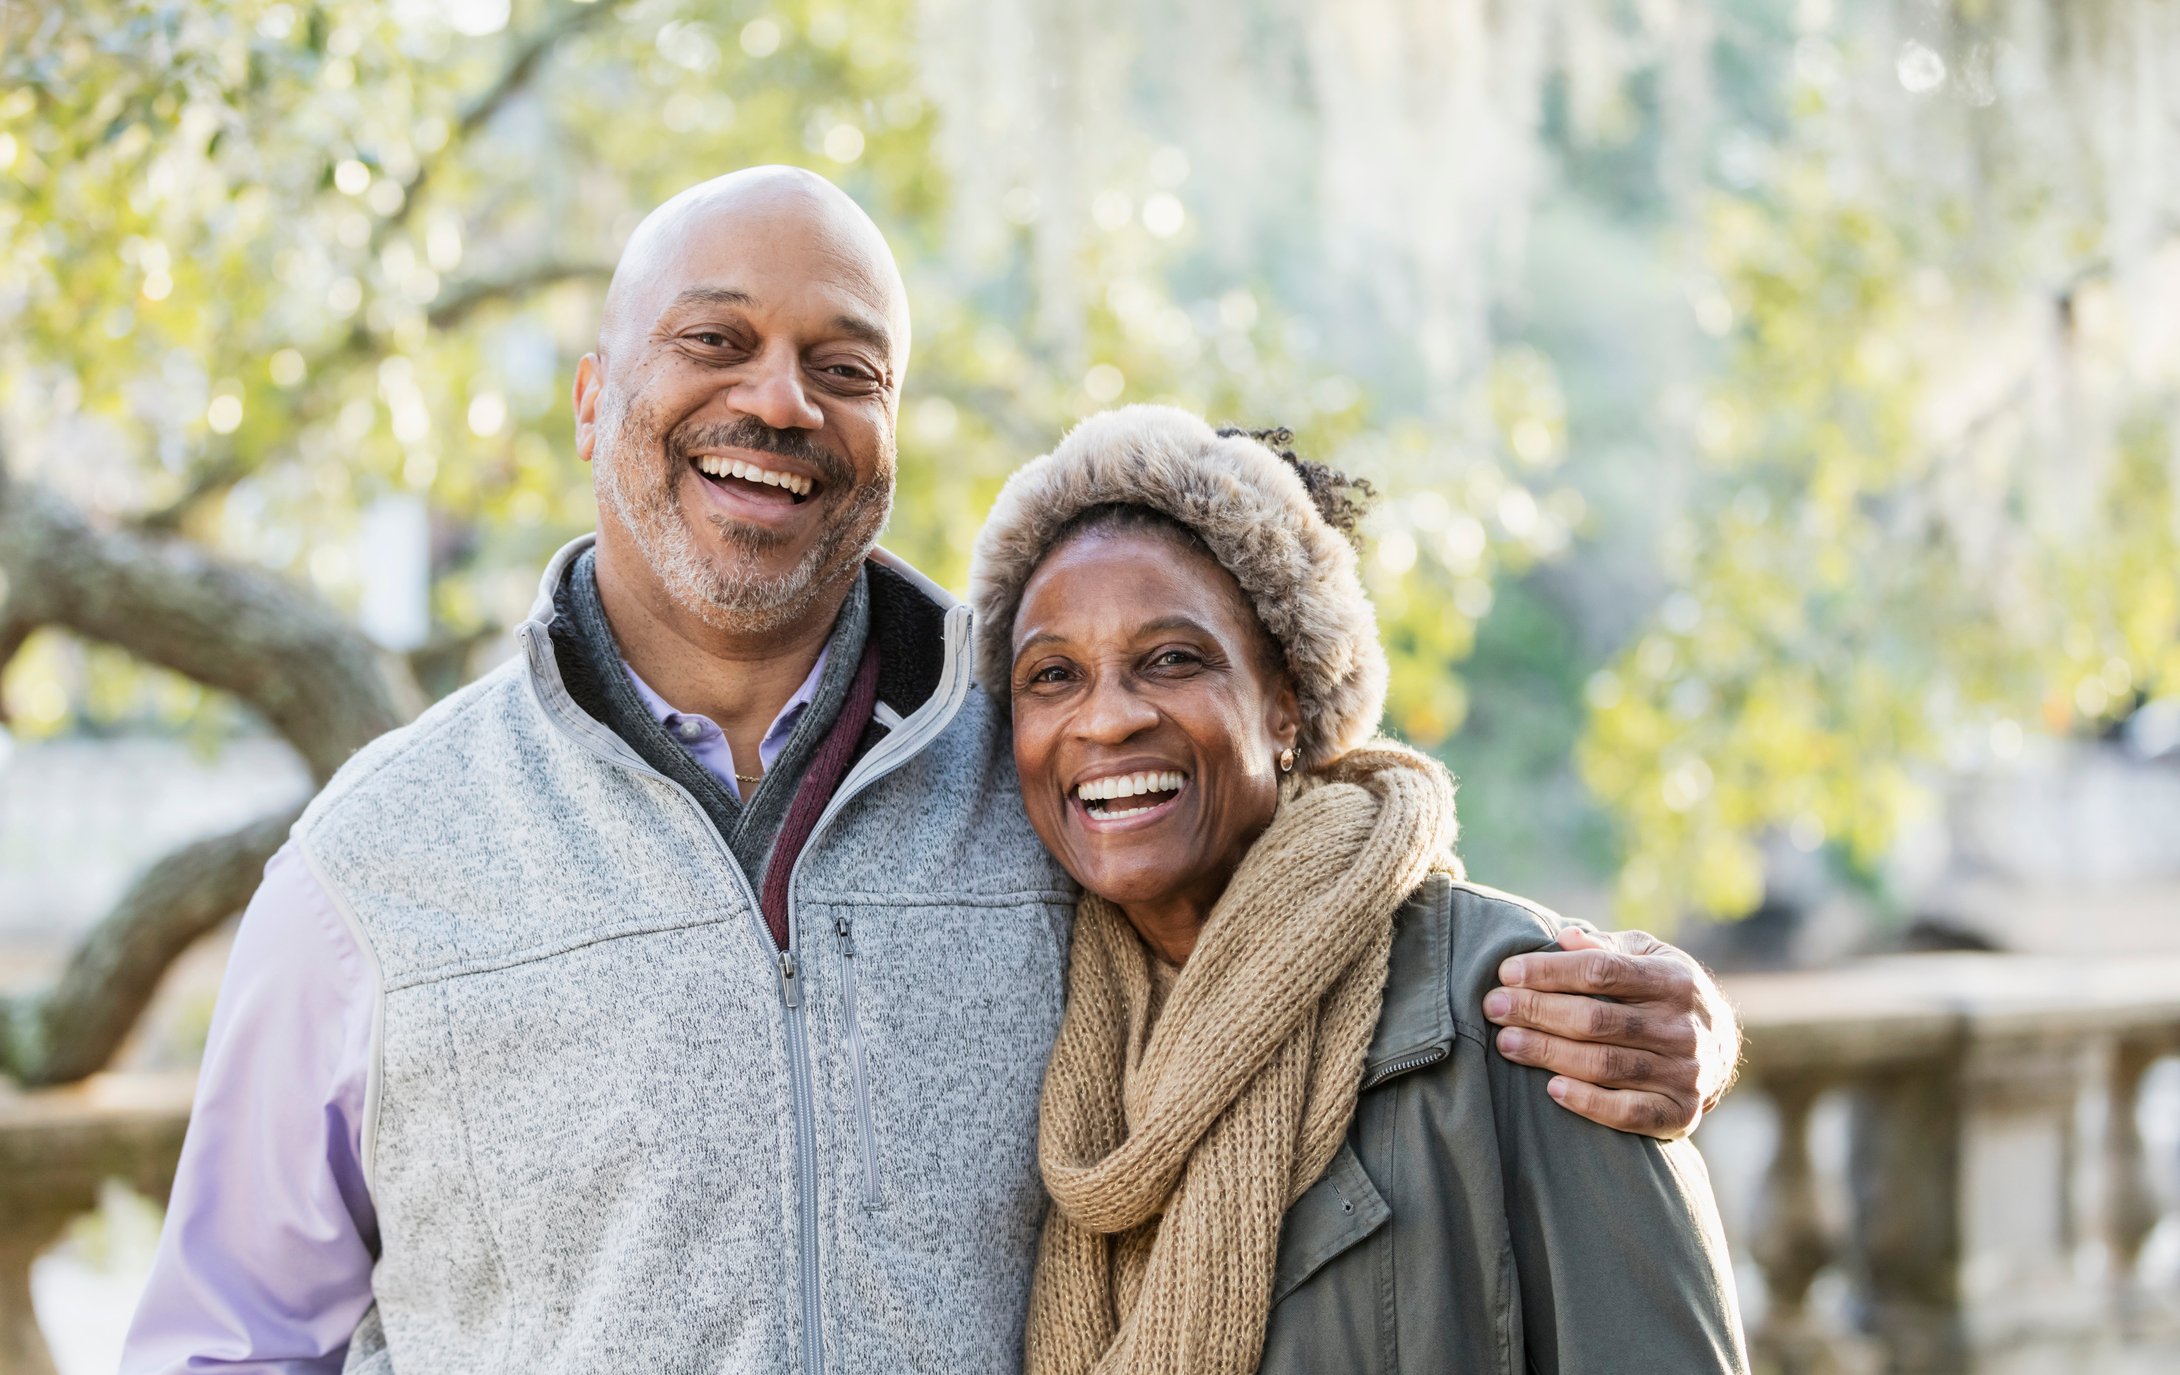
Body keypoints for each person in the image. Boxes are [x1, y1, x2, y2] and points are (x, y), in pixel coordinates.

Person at [121, 168, 1740, 1373]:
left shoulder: (1049, 756)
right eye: (717, 340)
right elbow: (226, 1339)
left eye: (848, 363)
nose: (780, 398)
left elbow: (1328, 861)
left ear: (891, 428)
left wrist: (1665, 1025)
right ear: (596, 396)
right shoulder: (379, 866)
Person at [970, 407, 1749, 1373]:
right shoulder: (1014, 1008)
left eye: (1173, 658)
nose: (1109, 718)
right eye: (1053, 675)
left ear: (1286, 701)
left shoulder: (1515, 1009)